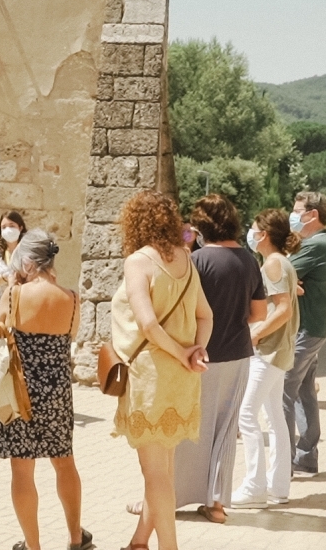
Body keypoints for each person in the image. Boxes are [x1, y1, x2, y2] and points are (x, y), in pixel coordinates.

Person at [111, 190, 212, 550]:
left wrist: (184, 353)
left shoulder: (138, 261)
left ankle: (169, 547)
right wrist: (196, 351)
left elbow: (149, 325)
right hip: (182, 380)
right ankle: (139, 542)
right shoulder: (186, 258)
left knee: (154, 474)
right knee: (164, 472)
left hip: (151, 377)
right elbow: (206, 315)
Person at [0, 230, 93, 550]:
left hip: (19, 391)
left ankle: (33, 546)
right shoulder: (72, 298)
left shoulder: (15, 294)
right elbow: (70, 336)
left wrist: (13, 289)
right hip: (57, 392)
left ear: (28, 262)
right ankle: (75, 537)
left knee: (22, 468)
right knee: (64, 462)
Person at [171, 194, 266, 524]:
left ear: (199, 226)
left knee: (187, 426)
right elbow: (259, 312)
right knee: (225, 430)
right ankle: (216, 504)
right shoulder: (249, 260)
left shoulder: (196, 262)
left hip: (199, 354)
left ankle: (170, 497)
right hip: (238, 354)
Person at [232, 209, 301, 508]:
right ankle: (277, 487)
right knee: (274, 417)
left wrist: (255, 334)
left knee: (245, 414)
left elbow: (283, 308)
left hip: (269, 350)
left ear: (264, 235)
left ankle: (254, 487)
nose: (250, 232)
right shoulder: (281, 263)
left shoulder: (273, 264)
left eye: (254, 227)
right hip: (279, 350)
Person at [282, 191, 326, 477]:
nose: (293, 215)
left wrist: (291, 280)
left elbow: (278, 274)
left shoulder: (315, 244)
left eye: (297, 210)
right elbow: (291, 278)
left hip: (307, 329)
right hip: (315, 327)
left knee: (284, 389)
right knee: (304, 391)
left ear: (312, 215)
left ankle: (284, 463)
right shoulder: (319, 243)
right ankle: (306, 457)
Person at [0, 211, 26, 329]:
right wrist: (6, 277)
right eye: (4, 227)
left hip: (21, 312)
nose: (8, 229)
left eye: (12, 226)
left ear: (20, 227)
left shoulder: (27, 253)